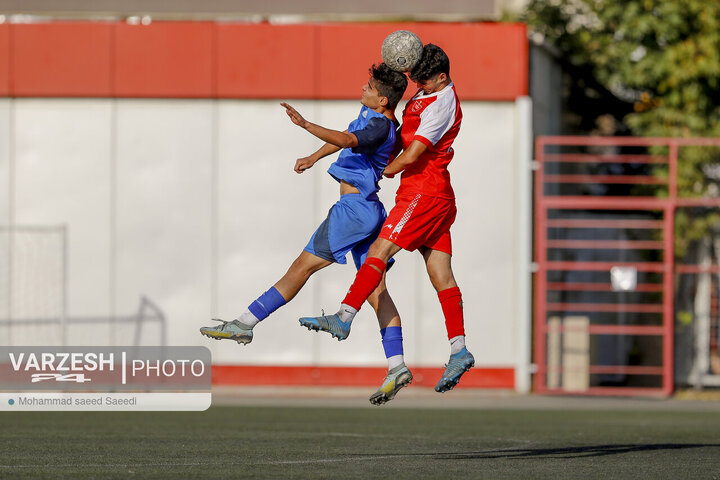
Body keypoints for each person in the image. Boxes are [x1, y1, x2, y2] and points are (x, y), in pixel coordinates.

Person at [200, 63, 413, 404]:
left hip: (353, 213)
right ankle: (397, 365)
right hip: (369, 210)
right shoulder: (375, 115)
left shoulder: (379, 127)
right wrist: (314, 157)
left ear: (384, 100)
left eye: (369, 86)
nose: (364, 87)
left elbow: (346, 139)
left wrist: (306, 125)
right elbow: (345, 139)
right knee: (376, 291)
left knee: (300, 268)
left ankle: (244, 323)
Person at [300, 44, 475, 393]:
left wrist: (390, 168)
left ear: (442, 77)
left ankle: (344, 316)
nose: (418, 86)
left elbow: (414, 152)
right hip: (436, 194)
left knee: (379, 252)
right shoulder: (428, 94)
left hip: (422, 194)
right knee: (441, 274)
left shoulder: (442, 104)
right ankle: (459, 349)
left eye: (424, 81)